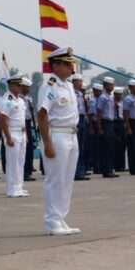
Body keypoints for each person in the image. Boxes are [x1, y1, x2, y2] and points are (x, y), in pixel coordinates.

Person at [37, 47, 82, 236]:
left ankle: (61, 217)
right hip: (57, 135)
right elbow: (42, 114)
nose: (72, 67)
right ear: (56, 65)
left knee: (67, 180)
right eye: (68, 64)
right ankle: (52, 221)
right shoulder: (50, 86)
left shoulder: (69, 85)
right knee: (55, 179)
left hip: (72, 134)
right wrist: (47, 143)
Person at [0, 76, 30, 198]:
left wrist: (26, 134)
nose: (20, 88)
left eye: (20, 85)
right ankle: (12, 188)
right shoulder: (7, 100)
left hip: (21, 133)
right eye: (18, 85)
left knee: (20, 161)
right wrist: (8, 137)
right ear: (11, 86)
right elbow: (3, 120)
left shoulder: (20, 101)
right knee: (12, 162)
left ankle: (19, 186)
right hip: (12, 132)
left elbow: (22, 120)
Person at [95, 77, 118, 178]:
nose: (112, 86)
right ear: (105, 85)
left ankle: (110, 169)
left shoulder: (111, 97)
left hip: (111, 123)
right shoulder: (103, 97)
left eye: (113, 84)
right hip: (105, 123)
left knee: (111, 147)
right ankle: (106, 170)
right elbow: (99, 112)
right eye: (111, 85)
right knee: (106, 147)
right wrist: (99, 127)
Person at [72, 74, 90, 181]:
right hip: (76, 120)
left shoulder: (80, 94)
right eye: (79, 81)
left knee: (82, 147)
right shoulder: (72, 94)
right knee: (76, 147)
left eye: (81, 81)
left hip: (82, 119)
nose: (81, 83)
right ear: (74, 82)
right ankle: (76, 172)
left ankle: (81, 171)